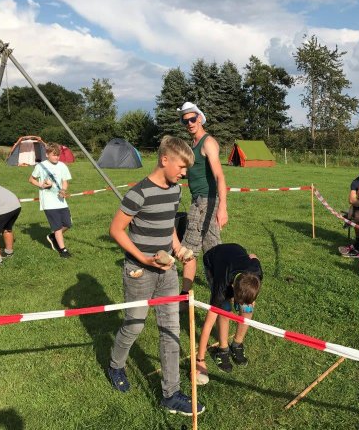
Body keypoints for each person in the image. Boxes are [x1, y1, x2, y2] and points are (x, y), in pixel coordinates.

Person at [107, 136, 205, 415]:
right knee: (135, 325)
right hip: (139, 272)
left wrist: (177, 247)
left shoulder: (175, 191)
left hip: (168, 273)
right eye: (182, 167)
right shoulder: (138, 193)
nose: (184, 173)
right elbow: (116, 230)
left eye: (187, 169)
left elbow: (168, 225)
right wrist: (142, 258)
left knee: (170, 330)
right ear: (165, 160)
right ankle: (116, 365)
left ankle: (171, 394)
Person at [177, 102, 228, 293]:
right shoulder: (193, 145)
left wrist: (222, 207)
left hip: (207, 202)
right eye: (185, 121)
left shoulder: (208, 142)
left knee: (195, 249)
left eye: (192, 118)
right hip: (197, 201)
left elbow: (220, 176)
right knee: (206, 250)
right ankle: (217, 292)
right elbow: (195, 173)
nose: (189, 123)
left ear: (200, 118)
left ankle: (218, 294)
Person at [195, 243, 263, 385]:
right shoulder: (222, 286)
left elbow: (253, 257)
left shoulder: (256, 272)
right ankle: (223, 349)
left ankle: (237, 345)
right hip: (214, 260)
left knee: (248, 310)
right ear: (232, 287)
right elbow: (208, 325)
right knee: (225, 310)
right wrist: (200, 360)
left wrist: (247, 303)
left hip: (237, 251)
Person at [28, 142, 73, 258]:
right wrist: (41, 185)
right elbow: (31, 179)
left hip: (61, 201)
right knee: (57, 226)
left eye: (58, 155)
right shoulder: (40, 166)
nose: (56, 157)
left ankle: (53, 237)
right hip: (48, 202)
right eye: (54, 155)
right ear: (47, 154)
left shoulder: (62, 166)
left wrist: (63, 190)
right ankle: (62, 250)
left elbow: (65, 181)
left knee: (68, 223)